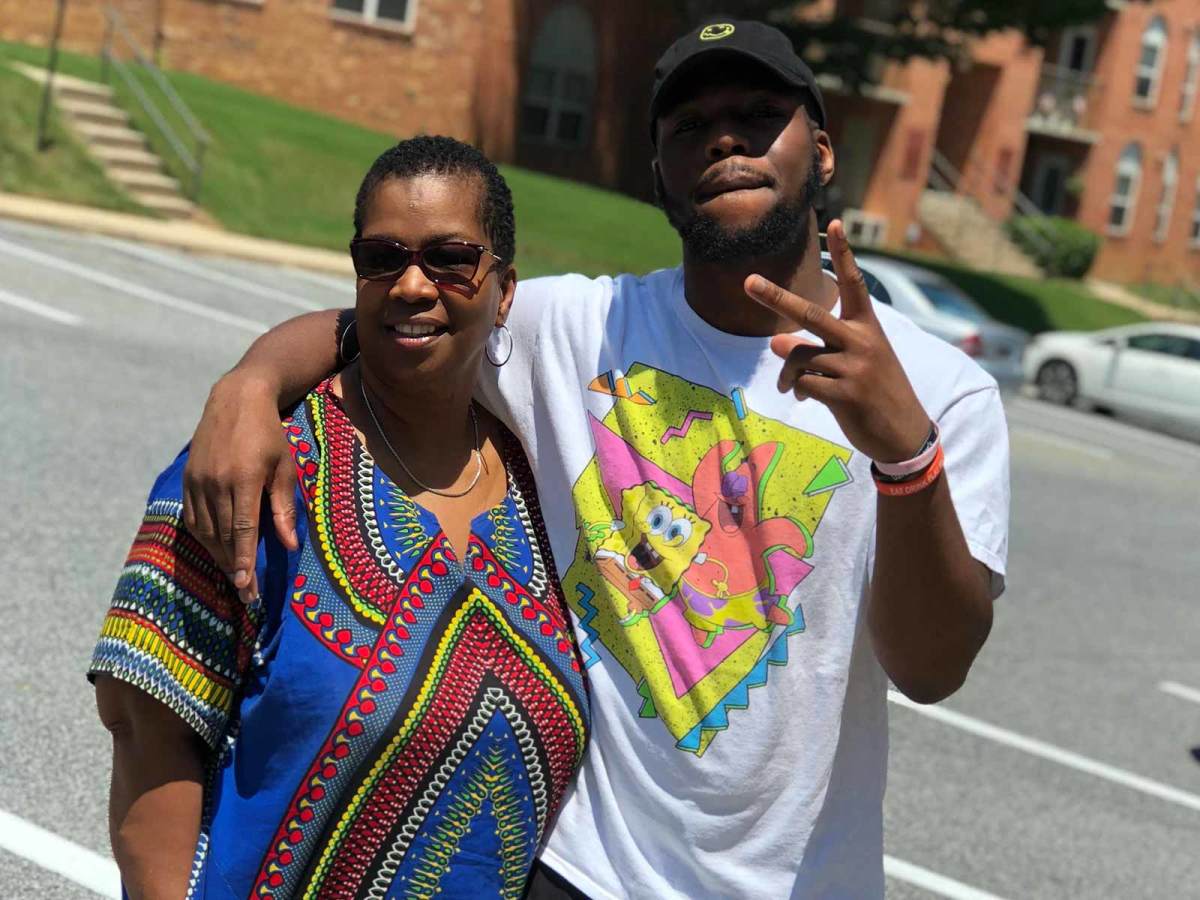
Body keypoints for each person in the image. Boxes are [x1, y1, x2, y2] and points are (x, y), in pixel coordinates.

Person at [182, 20, 1009, 899]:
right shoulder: (576, 328)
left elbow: (931, 668)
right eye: (689, 127)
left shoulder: (941, 390)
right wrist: (249, 384)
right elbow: (388, 322)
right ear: (658, 175)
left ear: (826, 150)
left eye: (760, 114)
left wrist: (905, 458)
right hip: (577, 870)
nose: (724, 137)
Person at [89, 136, 590, 899]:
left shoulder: (547, 484)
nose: (412, 285)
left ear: (505, 289)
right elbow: (145, 728)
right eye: (382, 257)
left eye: (451, 258)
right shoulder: (252, 467)